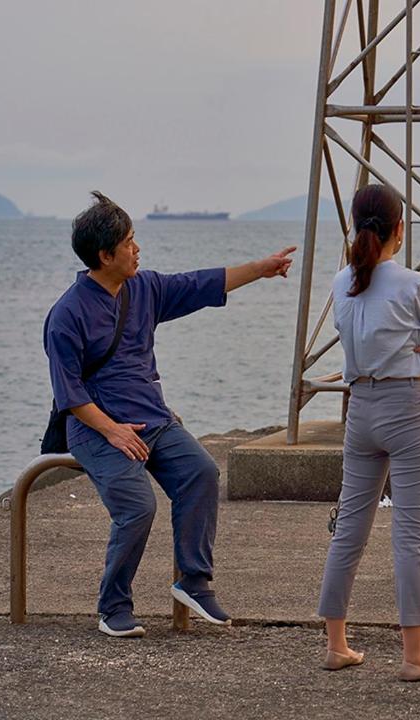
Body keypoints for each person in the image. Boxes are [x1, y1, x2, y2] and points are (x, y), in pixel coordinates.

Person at [44, 191, 294, 638]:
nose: (137, 249)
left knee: (201, 473)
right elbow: (69, 393)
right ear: (105, 255)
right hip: (94, 428)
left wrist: (262, 268)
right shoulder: (67, 314)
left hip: (153, 420)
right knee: (138, 507)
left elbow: (201, 283)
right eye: (129, 242)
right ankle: (113, 606)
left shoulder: (144, 289)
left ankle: (194, 583)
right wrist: (113, 430)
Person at [317, 183, 420, 681]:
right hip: (406, 408)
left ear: (355, 225)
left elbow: (354, 339)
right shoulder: (413, 284)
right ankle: (414, 657)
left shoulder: (339, 282)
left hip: (360, 409)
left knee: (349, 529)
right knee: (410, 535)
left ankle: (337, 645)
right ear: (401, 228)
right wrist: (416, 347)